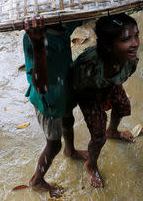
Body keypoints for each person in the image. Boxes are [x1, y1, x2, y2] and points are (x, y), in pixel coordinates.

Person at [71, 13, 140, 188]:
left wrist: (112, 94)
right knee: (98, 136)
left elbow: (122, 78)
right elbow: (77, 87)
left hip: (110, 85)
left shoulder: (130, 60)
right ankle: (91, 164)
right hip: (89, 94)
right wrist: (100, 101)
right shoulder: (88, 65)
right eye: (126, 39)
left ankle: (113, 131)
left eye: (136, 35)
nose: (135, 43)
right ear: (109, 46)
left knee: (123, 106)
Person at [23, 15, 88, 197]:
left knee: (68, 119)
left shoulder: (64, 23)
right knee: (53, 144)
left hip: (64, 89)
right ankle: (37, 180)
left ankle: (71, 150)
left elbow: (81, 18)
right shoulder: (32, 39)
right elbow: (41, 86)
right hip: (48, 99)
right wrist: (38, 46)